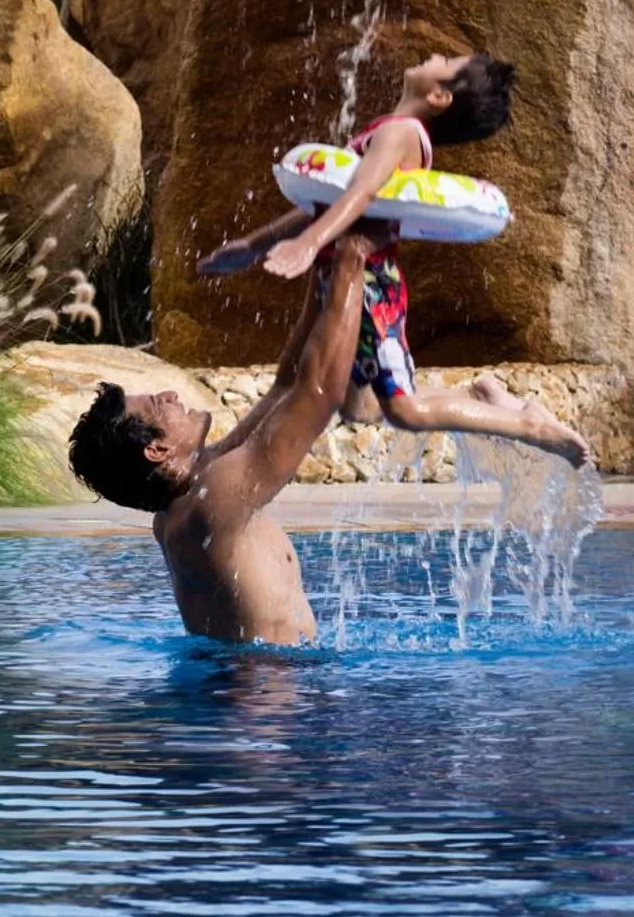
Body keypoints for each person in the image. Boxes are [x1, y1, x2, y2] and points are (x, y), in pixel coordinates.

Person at [197, 51, 586, 466]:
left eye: (446, 61)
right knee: (322, 392)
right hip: (336, 272)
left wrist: (309, 242)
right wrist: (253, 245)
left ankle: (528, 424)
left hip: (369, 284)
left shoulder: (401, 133)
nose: (434, 55)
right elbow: (326, 203)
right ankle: (214, 458)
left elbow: (362, 193)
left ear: (439, 96)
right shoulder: (390, 129)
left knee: (404, 409)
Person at [69, 231, 380, 645]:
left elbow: (286, 386)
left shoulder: (185, 504)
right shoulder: (213, 500)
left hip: (245, 677)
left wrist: (322, 269)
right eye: (158, 404)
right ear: (158, 450)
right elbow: (320, 390)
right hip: (269, 683)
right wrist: (352, 259)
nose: (171, 394)